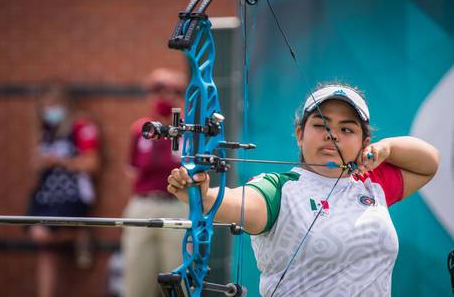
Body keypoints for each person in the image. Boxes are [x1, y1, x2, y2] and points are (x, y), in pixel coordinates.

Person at [166, 83, 439, 296]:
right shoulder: (278, 189)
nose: (332, 135)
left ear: (364, 142)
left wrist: (386, 148)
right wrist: (204, 197)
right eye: (321, 125)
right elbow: (238, 203)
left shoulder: (371, 184)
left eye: (347, 129)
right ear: (300, 134)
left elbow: (429, 163)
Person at [27, 83, 100, 297]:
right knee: (45, 250)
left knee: (42, 234)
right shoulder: (45, 131)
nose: (49, 111)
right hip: (46, 194)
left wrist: (60, 161)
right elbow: (34, 163)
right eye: (45, 106)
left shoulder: (82, 126)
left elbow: (92, 164)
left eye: (54, 105)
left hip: (73, 192)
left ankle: (80, 233)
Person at [122, 68, 188, 297]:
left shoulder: (187, 131)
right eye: (159, 89)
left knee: (178, 280)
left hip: (177, 206)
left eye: (174, 90)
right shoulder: (140, 129)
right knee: (137, 280)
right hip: (144, 205)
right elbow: (131, 169)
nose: (166, 96)